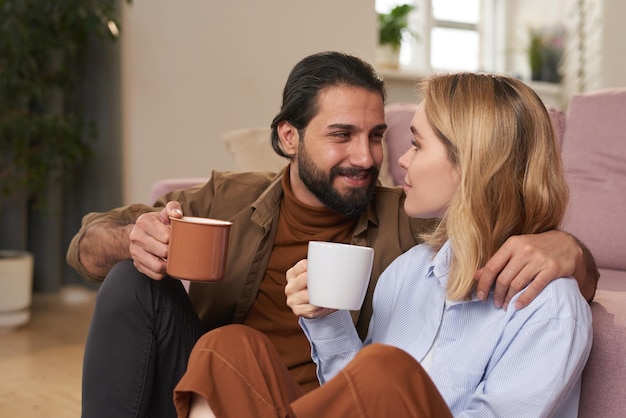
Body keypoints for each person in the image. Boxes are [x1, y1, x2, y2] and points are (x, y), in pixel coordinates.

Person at [67, 52, 598, 417]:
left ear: (472, 164)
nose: (373, 159)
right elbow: (88, 243)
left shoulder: (409, 226)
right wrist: (134, 238)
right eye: (342, 135)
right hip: (255, 397)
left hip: (323, 401)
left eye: (382, 138)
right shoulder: (410, 271)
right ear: (289, 137)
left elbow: (375, 383)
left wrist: (569, 249)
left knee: (385, 371)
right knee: (223, 342)